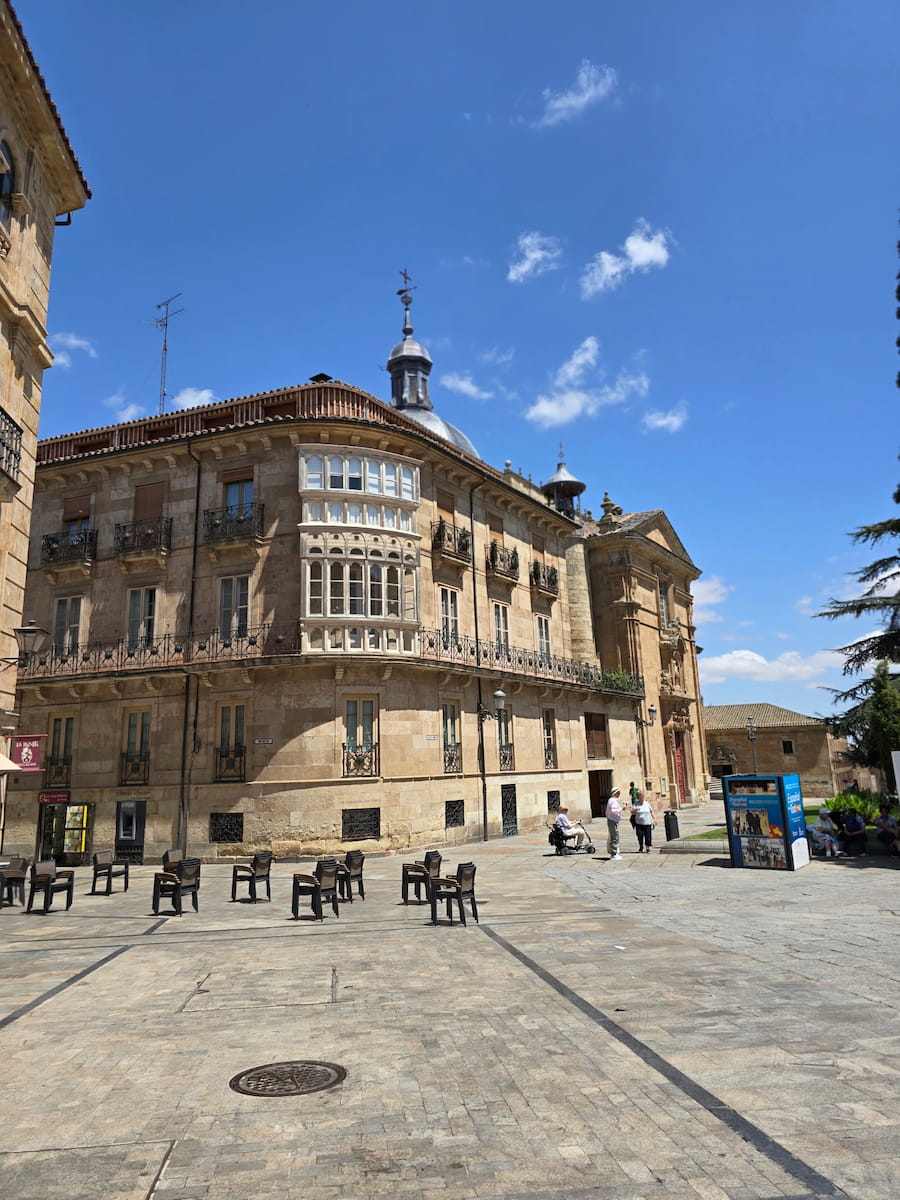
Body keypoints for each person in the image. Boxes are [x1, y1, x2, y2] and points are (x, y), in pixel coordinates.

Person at [605, 787, 623, 861]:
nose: (619, 794)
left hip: (612, 820)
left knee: (614, 836)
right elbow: (613, 811)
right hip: (613, 821)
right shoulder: (613, 801)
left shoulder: (612, 800)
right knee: (614, 837)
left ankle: (615, 852)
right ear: (615, 793)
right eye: (618, 792)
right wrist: (622, 808)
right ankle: (614, 853)